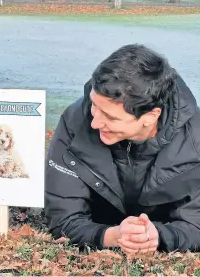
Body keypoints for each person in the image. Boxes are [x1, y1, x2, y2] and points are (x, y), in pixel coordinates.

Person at [45, 44, 200, 254]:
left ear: (151, 116)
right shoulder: (75, 121)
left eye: (110, 117)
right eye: (94, 105)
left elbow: (196, 225)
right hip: (102, 226)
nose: (95, 122)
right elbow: (63, 215)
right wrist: (114, 236)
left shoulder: (195, 140)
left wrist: (158, 237)